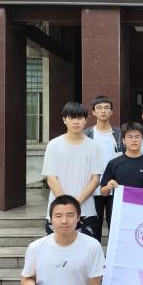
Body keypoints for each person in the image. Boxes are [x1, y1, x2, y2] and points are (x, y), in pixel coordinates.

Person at [41, 102, 104, 242]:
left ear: (86, 120)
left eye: (80, 118)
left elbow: (95, 179)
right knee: (56, 250)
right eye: (71, 117)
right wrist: (67, 205)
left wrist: (76, 203)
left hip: (86, 211)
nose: (76, 121)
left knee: (86, 250)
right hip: (58, 212)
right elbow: (51, 178)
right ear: (64, 120)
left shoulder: (94, 146)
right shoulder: (54, 145)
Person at [83, 95, 124, 234]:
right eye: (99, 108)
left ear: (112, 112)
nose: (103, 111)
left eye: (107, 108)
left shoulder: (119, 133)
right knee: (94, 228)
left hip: (115, 186)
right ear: (93, 112)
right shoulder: (86, 134)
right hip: (92, 187)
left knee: (115, 227)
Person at [100, 122, 143, 199]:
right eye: (130, 137)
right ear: (123, 140)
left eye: (137, 137)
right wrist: (108, 187)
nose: (134, 140)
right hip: (120, 206)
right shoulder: (113, 163)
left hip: (142, 205)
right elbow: (103, 193)